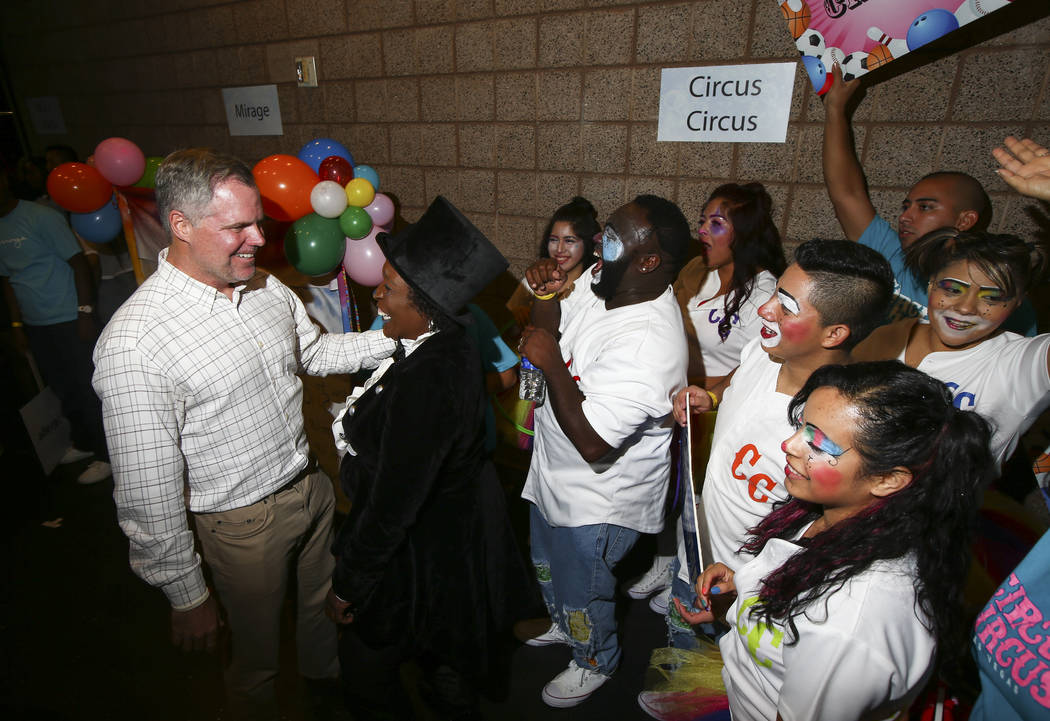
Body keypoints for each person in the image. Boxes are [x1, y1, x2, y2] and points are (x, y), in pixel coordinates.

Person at [92, 148, 396, 720]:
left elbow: (313, 351)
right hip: (242, 526)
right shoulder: (136, 342)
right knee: (256, 662)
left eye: (257, 221)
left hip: (311, 490)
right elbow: (147, 490)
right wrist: (186, 594)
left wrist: (398, 341)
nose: (258, 238)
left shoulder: (263, 288)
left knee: (319, 620)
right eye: (237, 226)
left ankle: (326, 695)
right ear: (179, 225)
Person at [643, 361, 992, 721]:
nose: (789, 444)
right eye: (801, 426)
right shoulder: (832, 511)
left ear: (888, 479)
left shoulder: (851, 626)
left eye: (820, 442)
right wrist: (741, 596)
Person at [325, 196, 530, 721]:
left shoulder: (428, 379)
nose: (378, 294)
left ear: (424, 305)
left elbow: (393, 503)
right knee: (441, 652)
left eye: (388, 289)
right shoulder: (446, 338)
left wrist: (349, 583)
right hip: (445, 531)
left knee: (365, 667)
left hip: (417, 554)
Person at [517, 194, 690, 707]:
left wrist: (549, 365)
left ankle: (594, 658)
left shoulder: (650, 343)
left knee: (585, 587)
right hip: (554, 471)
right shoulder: (606, 279)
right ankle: (562, 621)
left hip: (598, 499)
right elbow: (543, 330)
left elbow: (593, 444)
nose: (599, 240)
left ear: (650, 260)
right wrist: (546, 294)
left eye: (612, 235)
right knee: (547, 565)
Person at [628, 182, 788, 614]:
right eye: (702, 220)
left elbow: (754, 362)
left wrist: (709, 396)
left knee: (700, 499)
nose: (702, 230)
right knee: (670, 487)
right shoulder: (696, 271)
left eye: (716, 222)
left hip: (714, 411)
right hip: (676, 404)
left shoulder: (764, 292)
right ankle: (666, 562)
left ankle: (692, 572)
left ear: (746, 231)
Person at [821, 63, 1036, 335]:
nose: (905, 216)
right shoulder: (893, 254)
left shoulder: (999, 294)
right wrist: (834, 110)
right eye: (906, 206)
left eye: (925, 207)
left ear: (966, 219)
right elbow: (846, 193)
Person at [852, 227, 1050, 470]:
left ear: (1018, 301)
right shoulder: (887, 336)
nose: (966, 308)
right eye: (953, 289)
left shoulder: (1022, 363)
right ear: (932, 282)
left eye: (992, 298)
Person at [0, 163, 111, 484]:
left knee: (87, 385)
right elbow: (7, 280)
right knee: (61, 387)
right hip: (36, 322)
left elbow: (80, 263)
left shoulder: (40, 217)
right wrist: (17, 325)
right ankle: (86, 442)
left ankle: (109, 454)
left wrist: (85, 311)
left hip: (69, 316)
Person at [505, 196, 600, 329]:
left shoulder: (594, 289)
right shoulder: (535, 278)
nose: (559, 249)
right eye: (554, 240)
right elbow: (506, 328)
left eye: (569, 241)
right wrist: (516, 317)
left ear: (588, 244)